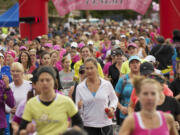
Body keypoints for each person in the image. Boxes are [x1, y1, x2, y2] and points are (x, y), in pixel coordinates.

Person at [18, 66, 83, 135]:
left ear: (54, 81)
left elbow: (79, 123)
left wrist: (69, 133)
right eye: (41, 80)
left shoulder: (66, 101)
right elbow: (21, 130)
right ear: (38, 83)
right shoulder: (31, 103)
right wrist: (27, 131)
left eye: (48, 80)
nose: (45, 83)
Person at [76, 57, 118, 135]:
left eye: (91, 68)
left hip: (105, 125)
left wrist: (112, 108)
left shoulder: (106, 84)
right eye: (87, 68)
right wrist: (78, 106)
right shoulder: (80, 87)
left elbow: (114, 99)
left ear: (97, 68)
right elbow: (79, 110)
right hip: (88, 126)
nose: (89, 71)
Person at [115, 56, 141, 125]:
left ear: (140, 64)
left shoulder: (144, 78)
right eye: (132, 63)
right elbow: (114, 97)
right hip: (125, 115)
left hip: (140, 115)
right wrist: (121, 107)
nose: (135, 64)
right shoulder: (123, 79)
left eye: (137, 62)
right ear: (129, 65)